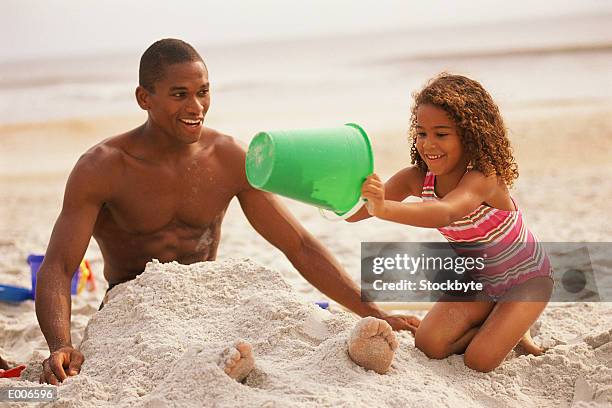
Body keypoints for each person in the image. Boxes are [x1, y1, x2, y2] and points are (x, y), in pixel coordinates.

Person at [34, 38, 420, 385]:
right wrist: (60, 344)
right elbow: (58, 266)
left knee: (285, 329)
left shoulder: (230, 158)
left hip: (210, 306)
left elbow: (298, 245)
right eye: (180, 94)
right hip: (135, 313)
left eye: (203, 92)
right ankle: (224, 369)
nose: (196, 107)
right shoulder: (102, 168)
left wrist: (373, 309)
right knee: (191, 360)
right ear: (144, 97)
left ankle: (344, 351)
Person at [346, 73, 553, 373]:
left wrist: (382, 208)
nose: (429, 144)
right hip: (479, 279)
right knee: (429, 344)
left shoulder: (484, 176)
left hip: (527, 280)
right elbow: (356, 211)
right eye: (422, 133)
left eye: (441, 134)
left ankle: (512, 329)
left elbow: (445, 212)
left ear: (470, 135)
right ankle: (500, 325)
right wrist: (336, 198)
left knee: (479, 360)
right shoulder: (415, 179)